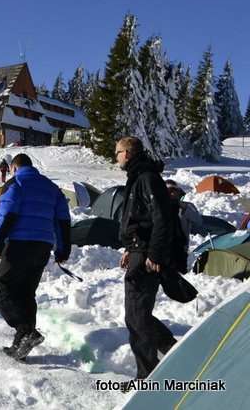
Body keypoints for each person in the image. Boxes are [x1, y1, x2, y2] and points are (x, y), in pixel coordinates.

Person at [0, 154, 71, 361]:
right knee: (26, 294)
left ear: (14, 167)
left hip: (18, 245)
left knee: (3, 291)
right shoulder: (51, 188)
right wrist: (62, 250)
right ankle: (21, 346)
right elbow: (62, 221)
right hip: (42, 246)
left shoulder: (15, 183)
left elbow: (6, 216)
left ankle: (27, 331)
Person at [116, 137, 178, 380]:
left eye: (118, 152)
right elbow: (140, 220)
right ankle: (172, 350)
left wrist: (154, 254)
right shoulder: (138, 177)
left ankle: (147, 376)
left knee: (137, 316)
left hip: (146, 256)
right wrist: (130, 249)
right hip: (138, 252)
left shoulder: (147, 178)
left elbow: (162, 219)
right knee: (137, 315)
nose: (116, 157)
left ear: (128, 154)